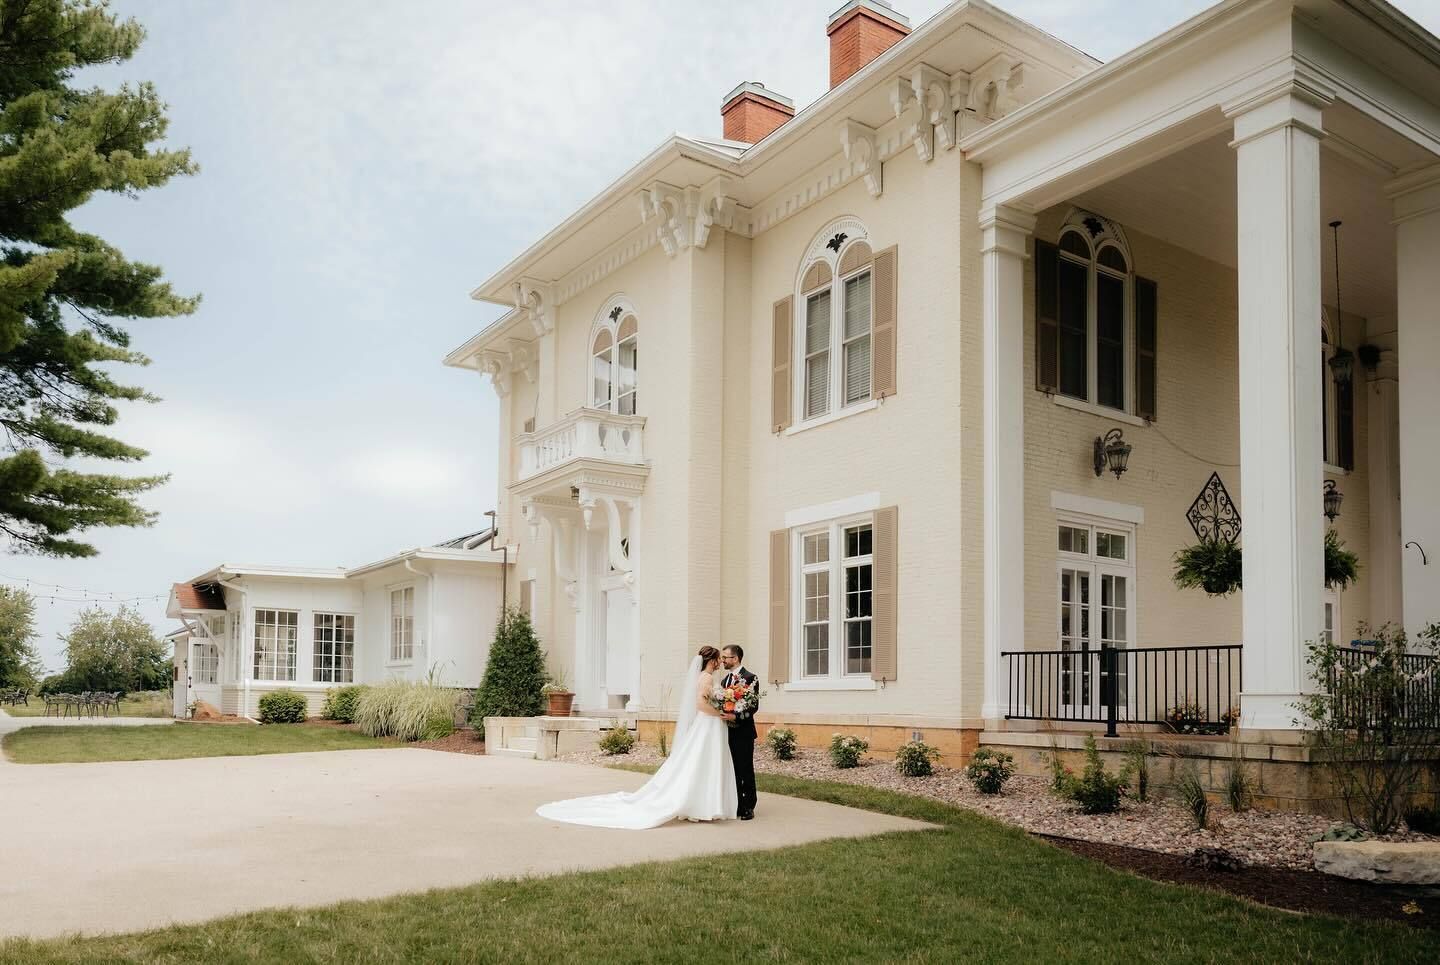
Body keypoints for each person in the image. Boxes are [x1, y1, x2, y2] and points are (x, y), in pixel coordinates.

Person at [535, 645, 737, 829]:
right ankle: (701, 804)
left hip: (710, 724)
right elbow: (700, 705)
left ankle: (703, 804)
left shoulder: (705, 677)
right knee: (703, 761)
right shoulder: (707, 678)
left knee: (704, 761)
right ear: (712, 661)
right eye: (719, 659)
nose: (720, 662)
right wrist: (719, 713)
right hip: (708, 723)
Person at [719, 644, 759, 820]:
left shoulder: (750, 678)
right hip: (727, 732)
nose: (722, 661)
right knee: (732, 769)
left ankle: (749, 805)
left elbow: (753, 706)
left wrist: (735, 717)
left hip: (743, 732)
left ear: (735, 658)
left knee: (745, 769)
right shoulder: (724, 681)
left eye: (725, 658)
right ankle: (736, 803)